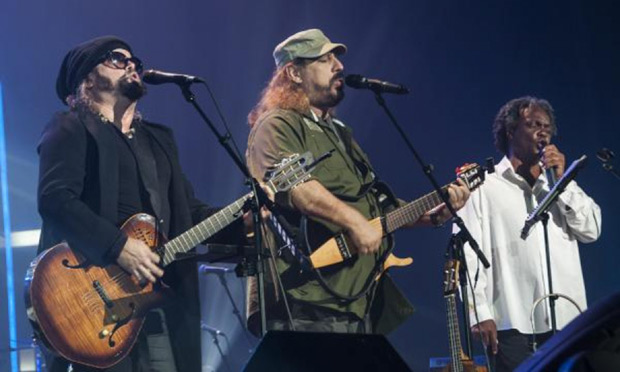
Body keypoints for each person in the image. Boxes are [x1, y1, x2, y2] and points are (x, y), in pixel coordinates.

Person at [37, 36, 245, 371]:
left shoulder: (158, 141)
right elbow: (55, 198)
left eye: (134, 60)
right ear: (87, 79)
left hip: (155, 307)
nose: (131, 63)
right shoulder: (70, 127)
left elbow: (187, 212)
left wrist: (244, 218)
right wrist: (118, 246)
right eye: (116, 59)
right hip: (93, 304)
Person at [245, 28, 470, 335]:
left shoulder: (338, 131)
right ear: (294, 73)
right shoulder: (277, 125)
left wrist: (431, 216)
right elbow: (295, 186)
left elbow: (372, 204)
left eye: (336, 58)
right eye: (325, 60)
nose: (339, 66)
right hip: (305, 297)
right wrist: (353, 221)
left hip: (356, 296)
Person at [455, 96, 602, 371]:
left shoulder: (559, 185)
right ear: (511, 131)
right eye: (533, 124)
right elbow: (467, 254)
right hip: (511, 323)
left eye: (547, 126)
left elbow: (591, 230)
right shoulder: (483, 186)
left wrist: (563, 182)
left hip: (568, 320)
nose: (543, 131)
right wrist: (479, 312)